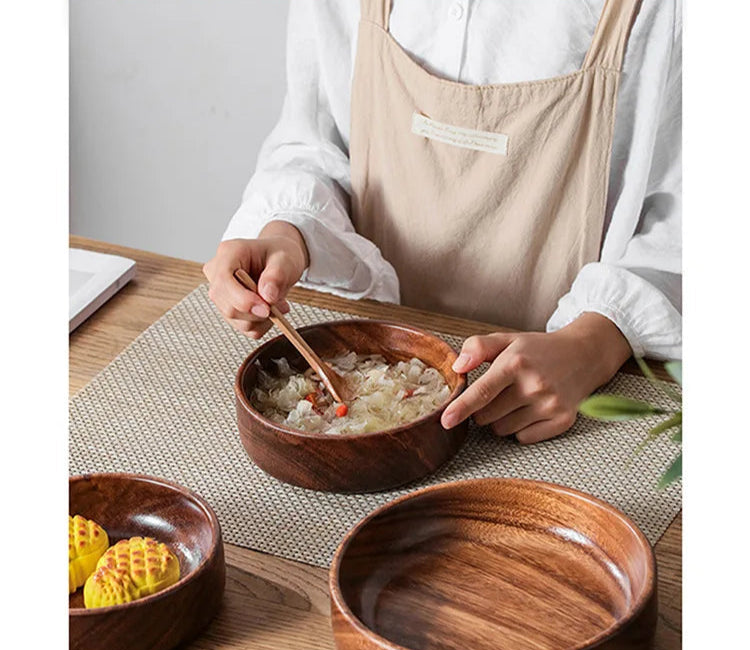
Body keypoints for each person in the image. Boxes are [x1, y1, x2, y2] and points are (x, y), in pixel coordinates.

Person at [204, 0, 681, 444]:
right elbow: (314, 138)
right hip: (383, 373)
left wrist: (592, 345)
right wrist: (286, 231)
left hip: (567, 406)